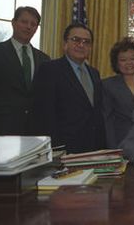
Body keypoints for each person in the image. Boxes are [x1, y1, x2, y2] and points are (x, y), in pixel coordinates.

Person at [32, 23, 106, 153]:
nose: (81, 45)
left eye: (86, 42)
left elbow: (95, 112)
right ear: (65, 43)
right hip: (63, 149)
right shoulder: (49, 69)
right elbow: (44, 115)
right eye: (76, 40)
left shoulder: (94, 73)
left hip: (93, 149)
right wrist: (54, 150)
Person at [0, 6, 50, 136]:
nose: (28, 27)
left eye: (33, 24)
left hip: (34, 132)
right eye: (24, 22)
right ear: (13, 23)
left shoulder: (44, 59)